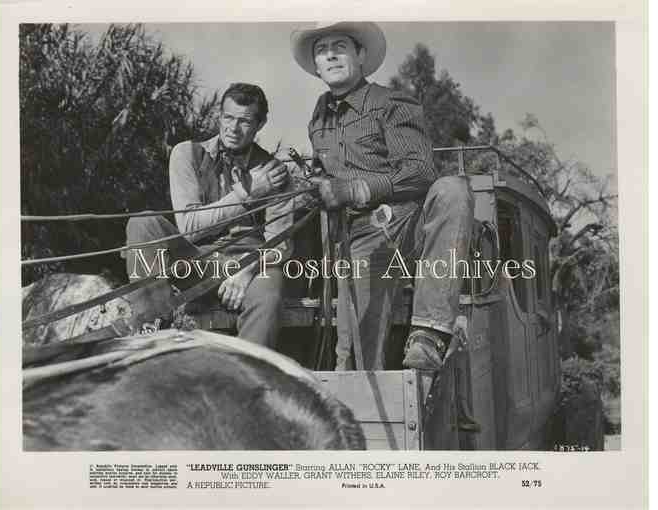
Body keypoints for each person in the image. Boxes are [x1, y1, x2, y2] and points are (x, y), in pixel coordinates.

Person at [290, 22, 475, 371]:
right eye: (321, 49)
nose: (330, 54)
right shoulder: (318, 119)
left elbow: (421, 172)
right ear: (316, 66)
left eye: (339, 46)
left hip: (408, 225)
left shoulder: (392, 102)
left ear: (360, 55)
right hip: (359, 237)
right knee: (356, 357)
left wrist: (357, 188)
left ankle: (429, 335)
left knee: (453, 189)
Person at [123, 83, 292, 348]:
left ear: (260, 124)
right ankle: (151, 332)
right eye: (228, 118)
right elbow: (190, 226)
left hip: (247, 265)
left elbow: (279, 243)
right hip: (195, 261)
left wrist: (246, 269)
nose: (233, 129)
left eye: (245, 121)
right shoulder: (187, 153)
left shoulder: (273, 170)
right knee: (144, 223)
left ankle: (246, 379)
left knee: (270, 289)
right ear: (219, 116)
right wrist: (248, 192)